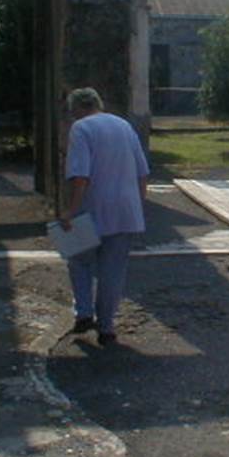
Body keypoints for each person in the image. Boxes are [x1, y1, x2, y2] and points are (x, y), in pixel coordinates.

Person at [61, 87, 149, 346]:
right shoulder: (123, 126)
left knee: (78, 259)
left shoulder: (81, 128)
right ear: (98, 103)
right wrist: (138, 207)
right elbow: (143, 172)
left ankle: (85, 312)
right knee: (113, 270)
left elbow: (80, 175)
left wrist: (71, 210)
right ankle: (107, 326)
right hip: (125, 209)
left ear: (76, 108)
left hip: (92, 205)